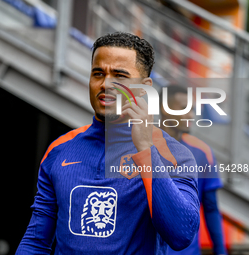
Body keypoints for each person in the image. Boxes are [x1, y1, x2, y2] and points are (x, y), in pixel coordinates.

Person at [15, 32, 200, 254]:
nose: (106, 84)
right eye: (98, 73)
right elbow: (36, 241)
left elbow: (182, 235)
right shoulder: (59, 149)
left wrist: (145, 149)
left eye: (120, 76)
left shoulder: (175, 154)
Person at [160, 85, 227, 255]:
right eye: (184, 108)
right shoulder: (140, 148)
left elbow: (211, 208)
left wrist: (220, 251)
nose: (191, 115)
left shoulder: (202, 152)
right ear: (164, 109)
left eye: (192, 109)